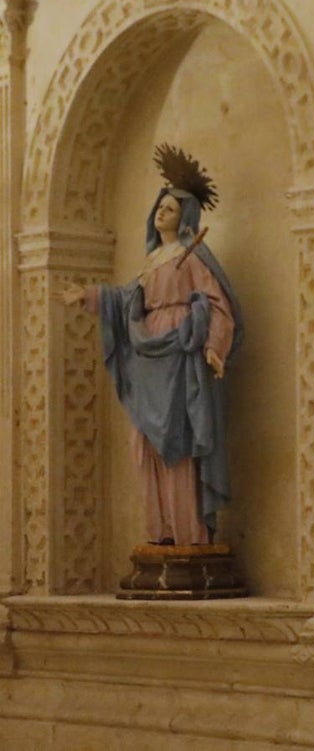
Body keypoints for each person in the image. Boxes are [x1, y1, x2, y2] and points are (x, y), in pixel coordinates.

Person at [59, 146, 242, 546]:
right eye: (160, 206)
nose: (162, 213)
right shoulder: (152, 260)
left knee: (178, 441)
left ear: (185, 217)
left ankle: (189, 534)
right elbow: (128, 298)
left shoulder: (193, 257)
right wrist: (88, 295)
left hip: (180, 356)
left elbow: (218, 305)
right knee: (145, 441)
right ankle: (161, 531)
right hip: (149, 359)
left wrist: (213, 347)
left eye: (171, 209)